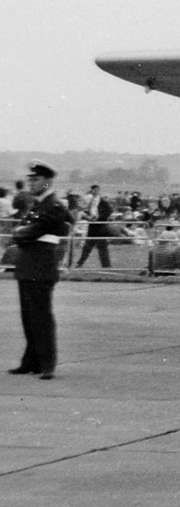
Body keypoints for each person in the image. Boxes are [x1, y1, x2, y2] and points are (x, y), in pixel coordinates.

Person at [8, 162, 74, 380]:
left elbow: (31, 231)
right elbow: (23, 231)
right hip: (29, 264)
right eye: (30, 180)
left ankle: (47, 364)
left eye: (35, 180)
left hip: (41, 265)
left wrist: (21, 233)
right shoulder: (38, 205)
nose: (31, 183)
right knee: (29, 316)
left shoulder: (53, 205)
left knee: (41, 316)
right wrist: (21, 232)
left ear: (47, 181)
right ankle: (31, 361)